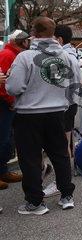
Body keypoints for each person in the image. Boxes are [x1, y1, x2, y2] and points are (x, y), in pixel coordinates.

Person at [6, 17, 77, 215]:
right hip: (57, 112)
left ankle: (35, 202)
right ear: (54, 33)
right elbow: (71, 84)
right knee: (60, 155)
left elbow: (14, 87)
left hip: (29, 114)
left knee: (30, 158)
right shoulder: (65, 56)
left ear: (33, 32)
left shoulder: (25, 57)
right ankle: (66, 195)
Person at [41, 24, 82, 198]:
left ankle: (60, 182)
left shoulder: (64, 57)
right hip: (68, 103)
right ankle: (61, 179)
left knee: (62, 146)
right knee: (63, 144)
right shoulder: (71, 55)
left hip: (64, 105)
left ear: (59, 39)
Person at [0, 30, 30, 193]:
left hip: (9, 103)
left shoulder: (15, 55)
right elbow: (5, 82)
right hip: (5, 104)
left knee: (8, 139)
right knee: (3, 138)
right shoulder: (8, 55)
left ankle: (3, 170)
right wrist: (11, 100)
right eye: (26, 40)